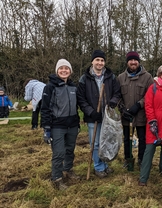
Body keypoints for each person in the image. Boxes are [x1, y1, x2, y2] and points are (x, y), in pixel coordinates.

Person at [77, 49, 121, 178]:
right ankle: (98, 167)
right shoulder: (85, 78)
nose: (100, 63)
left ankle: (105, 165)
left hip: (108, 117)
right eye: (97, 60)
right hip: (93, 118)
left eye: (102, 60)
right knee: (95, 143)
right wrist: (90, 112)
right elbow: (81, 98)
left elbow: (117, 92)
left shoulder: (110, 77)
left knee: (106, 142)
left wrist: (112, 102)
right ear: (92, 61)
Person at [40, 59, 80, 190]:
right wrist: (46, 128)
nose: (64, 70)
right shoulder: (50, 87)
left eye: (66, 68)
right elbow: (45, 109)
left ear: (70, 71)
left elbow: (76, 106)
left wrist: (78, 123)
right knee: (58, 153)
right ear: (57, 71)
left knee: (70, 150)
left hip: (72, 125)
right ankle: (56, 178)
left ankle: (68, 169)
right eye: (61, 68)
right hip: (57, 126)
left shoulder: (74, 87)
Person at [117, 51, 154, 168]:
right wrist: (122, 108)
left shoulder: (147, 77)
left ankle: (141, 160)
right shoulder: (120, 78)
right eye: (131, 60)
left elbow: (150, 94)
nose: (133, 62)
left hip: (141, 115)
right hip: (126, 116)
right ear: (127, 62)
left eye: (135, 60)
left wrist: (139, 105)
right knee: (127, 139)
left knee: (142, 139)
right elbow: (117, 95)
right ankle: (128, 160)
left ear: (139, 61)